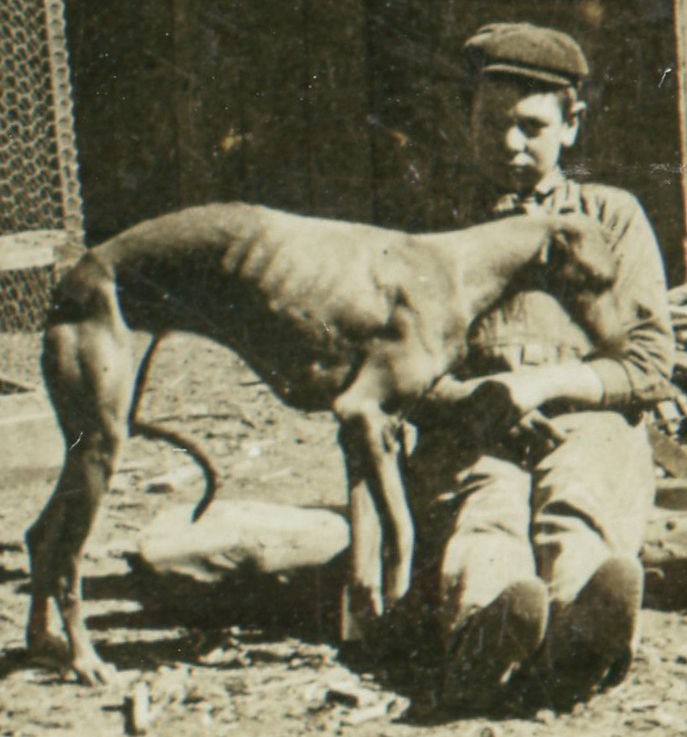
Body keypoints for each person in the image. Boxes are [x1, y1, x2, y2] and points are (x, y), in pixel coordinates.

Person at [404, 22, 675, 712]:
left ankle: (580, 629)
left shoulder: (608, 215)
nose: (508, 144)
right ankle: (486, 629)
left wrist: (541, 384)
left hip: (586, 411)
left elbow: (645, 363)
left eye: (529, 125)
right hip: (472, 419)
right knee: (486, 501)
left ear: (571, 125)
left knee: (580, 495)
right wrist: (472, 399)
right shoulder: (437, 224)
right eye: (490, 122)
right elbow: (397, 360)